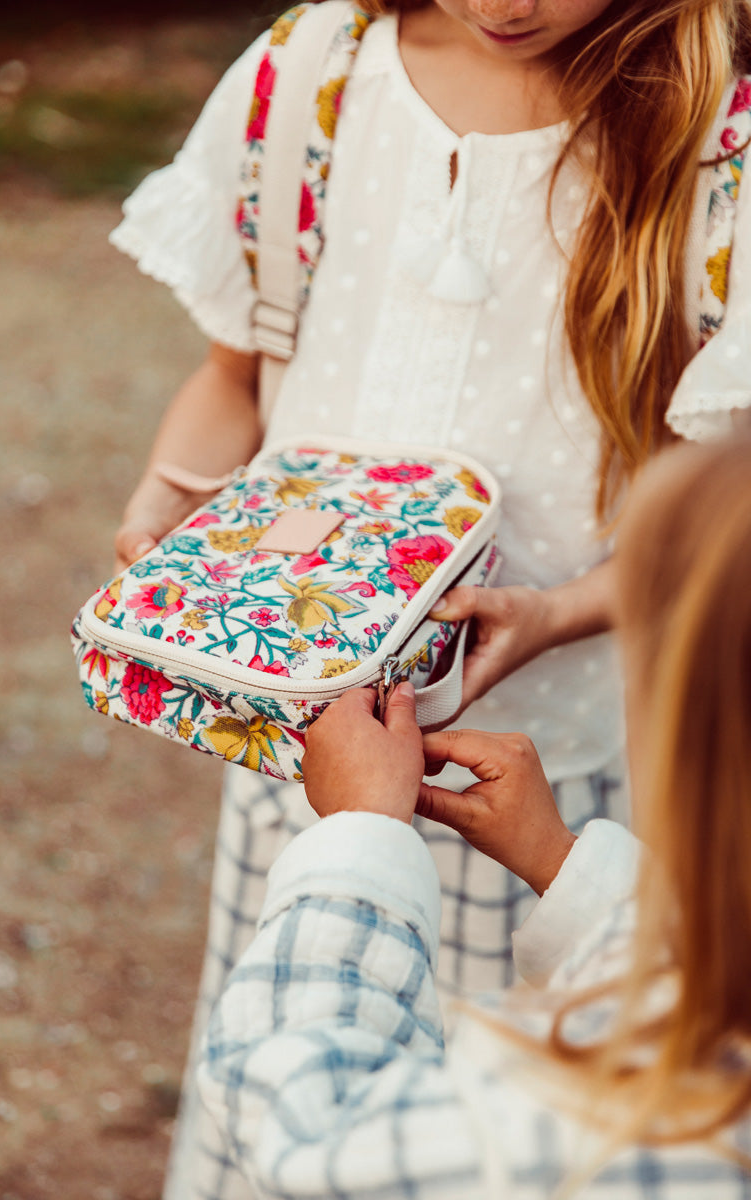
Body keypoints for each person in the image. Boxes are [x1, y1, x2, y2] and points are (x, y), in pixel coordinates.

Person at [107, 2, 751, 1196]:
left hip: (549, 778)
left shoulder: (716, 137)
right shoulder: (306, 79)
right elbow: (232, 375)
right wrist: (166, 504)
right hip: (313, 756)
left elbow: (721, 505)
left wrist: (557, 613)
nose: (508, 4)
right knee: (293, 1026)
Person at [196, 435, 751, 1198]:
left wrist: (362, 834)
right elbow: (696, 970)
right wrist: (562, 863)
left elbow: (310, 1131)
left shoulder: (600, 1115)